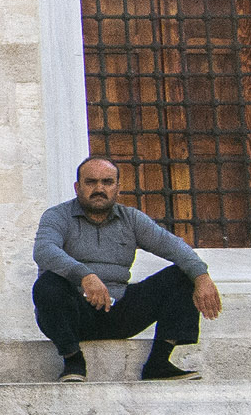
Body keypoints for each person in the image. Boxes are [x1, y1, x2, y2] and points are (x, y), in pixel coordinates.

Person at [32, 155, 223, 382]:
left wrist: (201, 276)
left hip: (119, 311)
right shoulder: (57, 216)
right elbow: (44, 251)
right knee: (47, 284)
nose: (99, 189)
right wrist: (85, 275)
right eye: (91, 182)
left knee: (184, 275)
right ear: (77, 187)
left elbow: (174, 246)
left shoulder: (131, 219)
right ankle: (73, 361)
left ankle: (159, 363)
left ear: (118, 188)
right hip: (74, 314)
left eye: (107, 182)